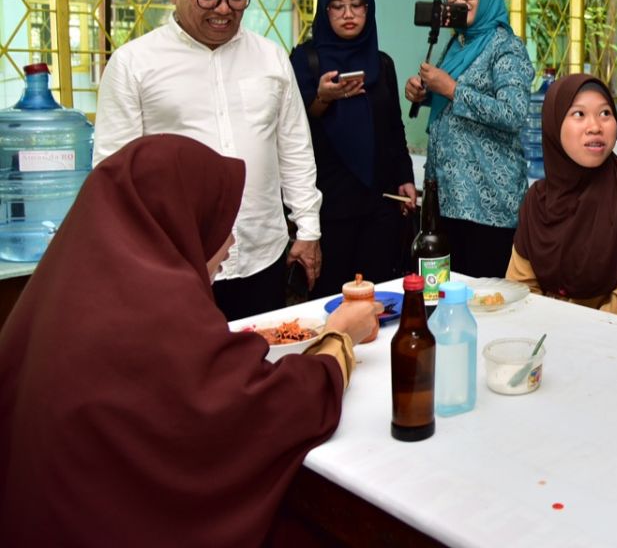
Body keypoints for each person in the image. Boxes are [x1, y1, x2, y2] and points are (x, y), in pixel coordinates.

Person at [0, 134, 379, 545]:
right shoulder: (154, 306)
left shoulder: (65, 283)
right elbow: (252, 410)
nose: (230, 245)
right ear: (178, 217)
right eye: (219, 224)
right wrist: (339, 337)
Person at [93, 0, 322, 320]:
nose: (224, 9)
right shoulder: (134, 64)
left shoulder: (270, 57)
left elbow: (294, 149)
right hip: (174, 261)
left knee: (259, 363)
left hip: (262, 253)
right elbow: (114, 173)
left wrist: (309, 230)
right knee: (183, 374)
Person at [290, 0, 417, 298]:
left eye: (357, 5)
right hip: (329, 201)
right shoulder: (305, 60)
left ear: (368, 10)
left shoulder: (382, 63)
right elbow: (294, 128)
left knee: (379, 296)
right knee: (330, 296)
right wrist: (323, 99)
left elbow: (393, 126)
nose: (348, 14)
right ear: (324, 11)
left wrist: (404, 175)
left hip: (380, 201)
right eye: (337, 6)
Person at [508, 74, 617, 320]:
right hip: (541, 340)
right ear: (553, 124)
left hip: (611, 345)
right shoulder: (538, 200)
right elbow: (520, 289)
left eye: (605, 113)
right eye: (579, 114)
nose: (595, 126)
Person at [404, 0, 533, 278]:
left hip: (487, 203)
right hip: (447, 197)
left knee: (486, 302)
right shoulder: (455, 42)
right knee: (446, 294)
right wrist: (426, 93)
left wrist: (450, 89)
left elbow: (513, 113)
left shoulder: (506, 48)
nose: (459, 0)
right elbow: (451, 102)